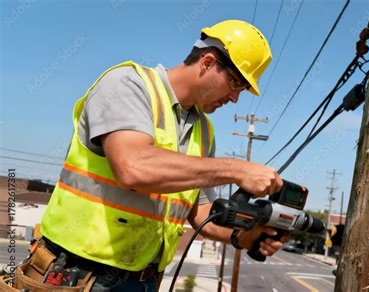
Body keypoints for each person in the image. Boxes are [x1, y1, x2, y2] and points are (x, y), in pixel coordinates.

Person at [37, 19, 288, 291]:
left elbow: (201, 213)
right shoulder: (129, 84)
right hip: (80, 272)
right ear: (206, 63)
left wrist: (247, 238)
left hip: (145, 280)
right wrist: (236, 169)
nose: (235, 98)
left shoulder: (204, 131)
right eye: (236, 83)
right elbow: (133, 167)